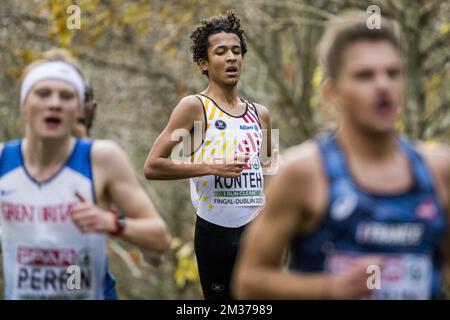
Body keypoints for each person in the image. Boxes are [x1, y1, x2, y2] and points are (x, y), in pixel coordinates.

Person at [233, 12, 450, 300]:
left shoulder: (438, 169)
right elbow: (248, 281)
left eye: (393, 73)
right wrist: (328, 288)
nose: (383, 85)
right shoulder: (303, 174)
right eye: (365, 75)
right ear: (332, 92)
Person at [0, 52, 171, 299]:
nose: (55, 103)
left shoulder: (102, 159)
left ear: (79, 109)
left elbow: (160, 239)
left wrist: (111, 223)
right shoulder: (4, 161)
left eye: (66, 96)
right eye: (43, 93)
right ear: (24, 105)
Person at [144, 10, 272, 300]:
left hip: (257, 226)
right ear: (204, 62)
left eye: (237, 51)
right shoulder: (193, 107)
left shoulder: (260, 114)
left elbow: (270, 170)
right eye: (221, 52)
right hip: (215, 230)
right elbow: (153, 166)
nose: (231, 58)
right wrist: (211, 167)